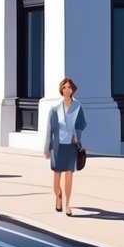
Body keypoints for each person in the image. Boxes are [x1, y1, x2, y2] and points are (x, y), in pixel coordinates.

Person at [44, 77, 86, 216]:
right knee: (57, 176)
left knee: (69, 175)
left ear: (73, 89)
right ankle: (58, 196)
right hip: (57, 147)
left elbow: (82, 124)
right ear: (61, 90)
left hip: (71, 147)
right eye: (64, 87)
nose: (67, 90)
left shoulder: (78, 106)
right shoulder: (55, 110)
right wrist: (47, 148)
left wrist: (77, 137)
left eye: (69, 87)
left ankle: (67, 204)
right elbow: (49, 130)